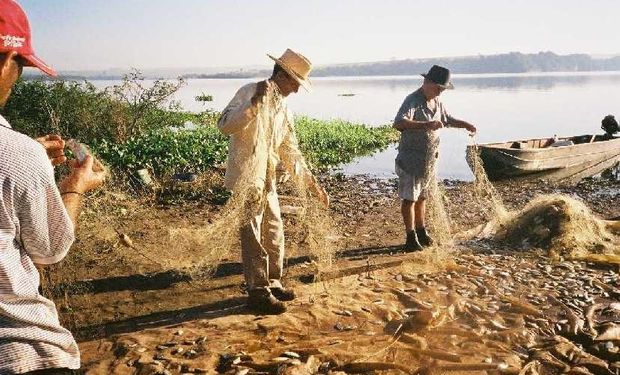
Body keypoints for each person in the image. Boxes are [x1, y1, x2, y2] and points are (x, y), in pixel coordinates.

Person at [0, 1, 106, 373]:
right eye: (21, 67)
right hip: (18, 351)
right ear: (6, 59)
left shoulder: (18, 154)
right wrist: (75, 185)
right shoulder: (16, 154)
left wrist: (26, 157)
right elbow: (49, 250)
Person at [217, 49, 329, 314]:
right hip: (247, 178)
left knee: (274, 229)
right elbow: (224, 125)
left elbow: (290, 151)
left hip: (268, 179)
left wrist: (312, 185)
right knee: (253, 233)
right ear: (281, 74)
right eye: (295, 83)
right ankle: (257, 291)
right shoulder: (250, 91)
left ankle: (273, 281)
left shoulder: (284, 108)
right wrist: (254, 105)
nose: (297, 90)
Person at [393, 65, 476, 251]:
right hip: (410, 160)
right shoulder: (412, 100)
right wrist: (426, 124)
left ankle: (421, 231)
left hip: (429, 160)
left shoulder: (436, 101)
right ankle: (410, 237)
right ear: (427, 82)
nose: (440, 92)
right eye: (438, 88)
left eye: (442, 89)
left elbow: (448, 119)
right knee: (409, 199)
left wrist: (465, 124)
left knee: (422, 197)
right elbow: (398, 123)